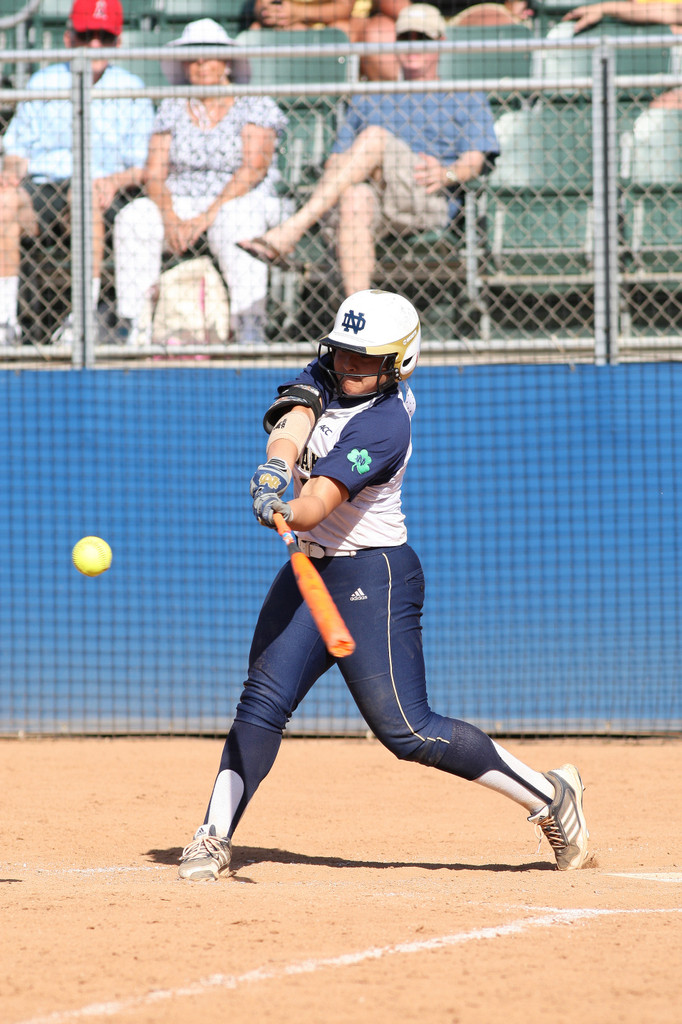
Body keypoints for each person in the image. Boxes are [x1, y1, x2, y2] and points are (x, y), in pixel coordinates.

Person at [176, 287, 590, 882]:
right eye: (344, 353)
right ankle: (213, 836)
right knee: (261, 702)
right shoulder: (328, 372)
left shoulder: (387, 425)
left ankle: (549, 797)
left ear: (399, 362)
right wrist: (274, 464)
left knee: (407, 730)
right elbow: (295, 420)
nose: (349, 366)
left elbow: (319, 501)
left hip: (374, 574)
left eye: (366, 360)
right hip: (312, 571)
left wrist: (286, 509)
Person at [237, 4, 499, 297]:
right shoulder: (370, 96)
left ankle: (292, 229)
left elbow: (474, 162)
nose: (413, 47)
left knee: (374, 138)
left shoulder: (465, 93)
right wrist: (364, 169)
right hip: (374, 196)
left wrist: (447, 173)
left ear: (440, 43)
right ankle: (357, 320)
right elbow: (336, 160)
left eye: (422, 38)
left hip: (427, 194)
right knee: (353, 197)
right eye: (406, 38)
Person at [113, 18, 292, 346]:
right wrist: (170, 217)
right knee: (134, 219)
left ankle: (248, 329)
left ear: (226, 62)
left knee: (237, 220)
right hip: (180, 198)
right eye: (193, 55)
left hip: (241, 198)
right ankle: (135, 326)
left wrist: (204, 217)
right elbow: (154, 173)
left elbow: (253, 169)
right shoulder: (172, 105)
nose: (200, 62)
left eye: (209, 54)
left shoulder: (254, 101)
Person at [0, 0, 155, 345]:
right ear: (70, 39)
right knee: (4, 200)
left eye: (103, 36)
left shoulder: (131, 88)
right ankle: (4, 323)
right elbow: (18, 150)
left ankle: (81, 321)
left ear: (117, 41)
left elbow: (144, 166)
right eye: (87, 35)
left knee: (85, 197)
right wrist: (10, 170)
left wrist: (114, 180)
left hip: (101, 192)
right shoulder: (44, 80)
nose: (94, 45)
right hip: (44, 186)